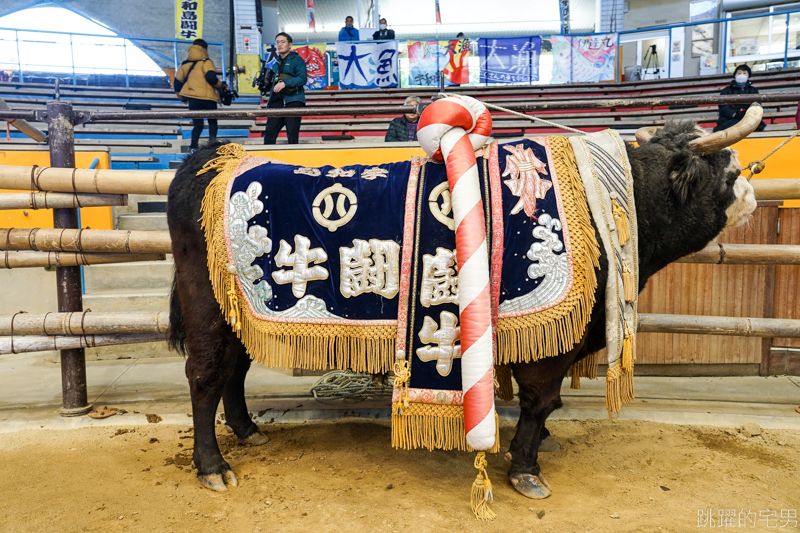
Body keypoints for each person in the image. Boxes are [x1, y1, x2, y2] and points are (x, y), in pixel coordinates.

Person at [175, 39, 224, 151]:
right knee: (212, 121)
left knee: (197, 124)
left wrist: (181, 97)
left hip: (193, 99)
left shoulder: (184, 64)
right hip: (208, 98)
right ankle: (212, 143)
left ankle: (193, 145)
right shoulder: (207, 62)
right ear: (204, 49)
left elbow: (177, 82)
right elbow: (211, 78)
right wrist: (220, 86)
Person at [263, 32, 308, 145]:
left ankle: (294, 161)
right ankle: (267, 159)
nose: (279, 45)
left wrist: (285, 83)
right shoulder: (275, 63)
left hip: (293, 100)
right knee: (269, 133)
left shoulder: (297, 60)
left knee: (292, 135)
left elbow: (302, 79)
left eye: (283, 42)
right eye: (277, 42)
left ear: (290, 44)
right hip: (277, 101)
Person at [714, 64, 767, 133]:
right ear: (735, 75)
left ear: (748, 75)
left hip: (748, 118)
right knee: (731, 126)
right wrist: (735, 114)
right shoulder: (726, 90)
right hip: (729, 119)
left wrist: (746, 114)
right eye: (739, 73)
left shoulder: (753, 90)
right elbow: (723, 107)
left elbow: (756, 105)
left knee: (757, 125)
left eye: (744, 73)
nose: (741, 75)